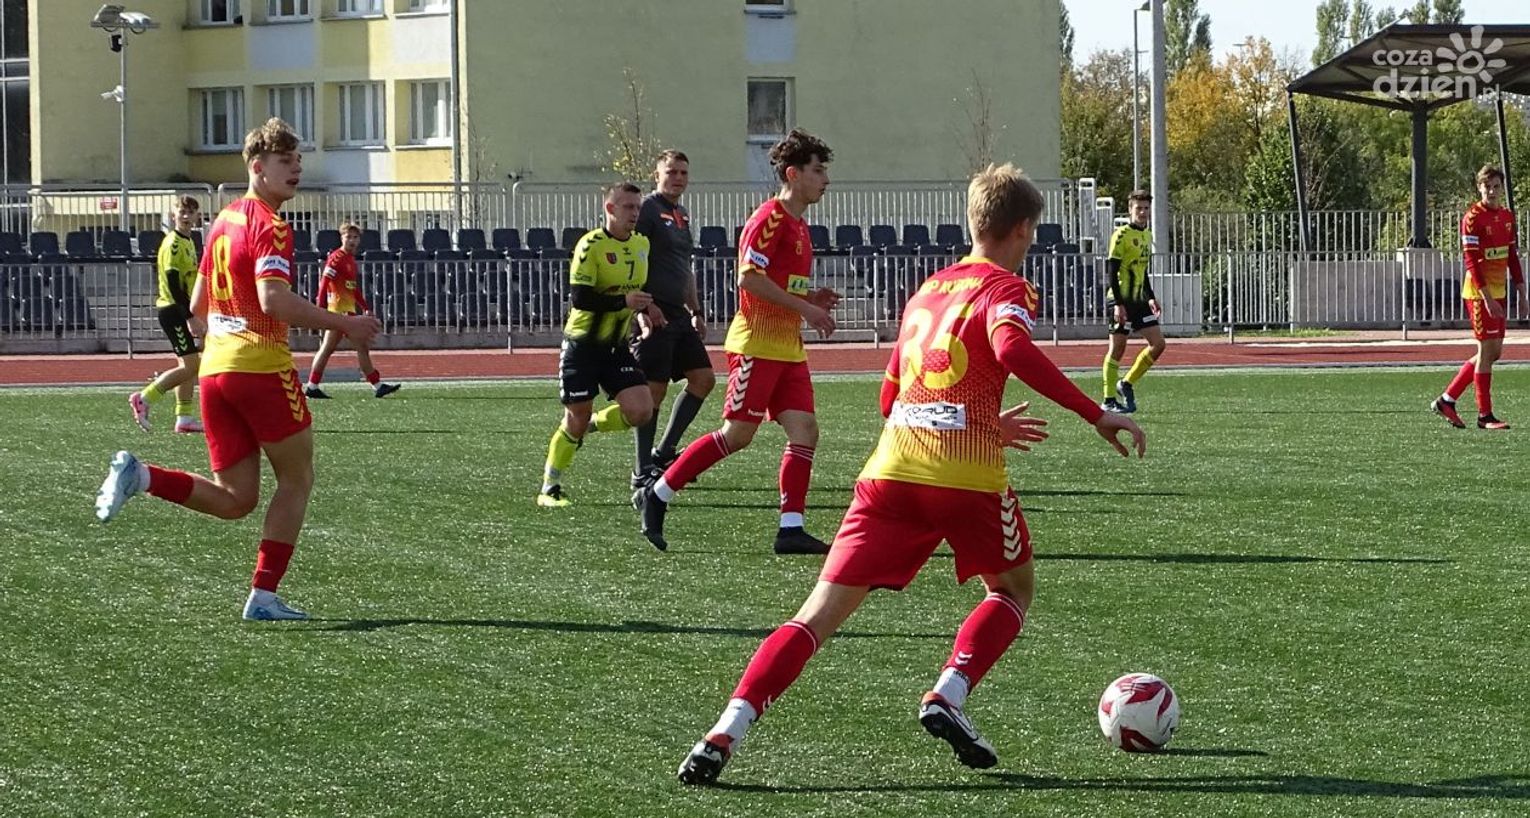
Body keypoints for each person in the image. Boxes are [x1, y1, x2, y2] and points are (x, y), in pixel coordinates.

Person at [675, 163, 1147, 786]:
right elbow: (1009, 348)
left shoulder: (928, 290)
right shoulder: (1007, 288)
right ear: (1024, 229)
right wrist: (1096, 413)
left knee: (815, 616)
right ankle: (949, 692)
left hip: (891, 470)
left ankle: (723, 732)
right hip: (966, 478)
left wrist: (979, 418)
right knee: (1012, 590)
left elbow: (889, 397)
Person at [93, 118, 381, 621]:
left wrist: (228, 335)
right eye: (285, 161)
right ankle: (264, 596)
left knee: (235, 499)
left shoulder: (223, 221)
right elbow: (273, 300)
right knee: (297, 478)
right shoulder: (270, 225)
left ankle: (142, 476)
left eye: (298, 161)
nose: (296, 169)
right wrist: (346, 323)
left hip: (215, 373)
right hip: (261, 368)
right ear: (257, 167)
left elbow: (199, 306)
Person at [635, 129, 841, 554]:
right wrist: (805, 309)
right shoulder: (769, 218)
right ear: (793, 174)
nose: (825, 179)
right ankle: (657, 493)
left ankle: (790, 528)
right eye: (818, 171)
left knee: (805, 431)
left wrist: (809, 297)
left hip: (787, 347)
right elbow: (748, 278)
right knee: (737, 434)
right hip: (757, 346)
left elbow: (778, 281)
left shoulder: (799, 225)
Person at [537, 182, 662, 508]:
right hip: (582, 345)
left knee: (641, 410)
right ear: (610, 208)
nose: (634, 213)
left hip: (616, 346)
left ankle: (589, 425)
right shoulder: (590, 245)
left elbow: (635, 291)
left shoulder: (641, 244)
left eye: (637, 207)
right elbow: (580, 298)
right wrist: (624, 302)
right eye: (628, 207)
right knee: (575, 417)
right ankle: (550, 487)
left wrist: (644, 311)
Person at [629, 149, 716, 489]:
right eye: (671, 172)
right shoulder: (648, 210)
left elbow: (685, 267)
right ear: (657, 175)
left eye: (683, 172)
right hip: (654, 311)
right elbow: (631, 258)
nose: (678, 178)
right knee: (654, 390)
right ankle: (641, 470)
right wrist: (643, 307)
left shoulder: (682, 214)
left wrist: (696, 310)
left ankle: (664, 452)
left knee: (703, 379)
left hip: (678, 313)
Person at [1432, 165, 1526, 430]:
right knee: (1485, 351)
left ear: (1501, 188)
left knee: (1494, 353)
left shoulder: (1506, 217)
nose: (1492, 192)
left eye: (1496, 187)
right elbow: (1471, 261)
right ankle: (1485, 415)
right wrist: (1486, 298)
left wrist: (1522, 292)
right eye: (1488, 187)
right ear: (1479, 188)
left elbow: (1511, 257)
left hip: (1499, 293)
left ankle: (1447, 400)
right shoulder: (1472, 218)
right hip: (1479, 294)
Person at [128, 196, 206, 434]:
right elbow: (173, 285)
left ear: (197, 216)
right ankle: (145, 398)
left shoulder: (188, 241)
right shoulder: (173, 243)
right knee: (191, 366)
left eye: (190, 212)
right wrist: (190, 316)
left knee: (188, 365)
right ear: (174, 216)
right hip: (173, 311)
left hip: (180, 310)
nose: (186, 216)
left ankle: (184, 418)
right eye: (182, 212)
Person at [304, 222, 400, 399]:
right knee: (355, 346)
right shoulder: (337, 258)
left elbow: (352, 288)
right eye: (349, 237)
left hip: (346, 311)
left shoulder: (349, 260)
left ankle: (312, 386)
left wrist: (365, 307)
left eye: (355, 237)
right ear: (342, 238)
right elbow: (324, 283)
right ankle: (377, 385)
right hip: (339, 311)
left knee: (334, 348)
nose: (352, 241)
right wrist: (320, 309)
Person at [1100, 190, 1165, 414]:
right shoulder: (1120, 235)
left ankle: (1126, 383)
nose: (1143, 212)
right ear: (1130, 210)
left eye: (1146, 208)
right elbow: (1111, 272)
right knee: (1117, 349)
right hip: (1121, 300)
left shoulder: (1147, 235)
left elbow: (1142, 271)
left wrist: (1151, 297)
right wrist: (1118, 304)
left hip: (1139, 301)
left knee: (1158, 344)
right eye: (1139, 208)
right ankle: (1108, 399)